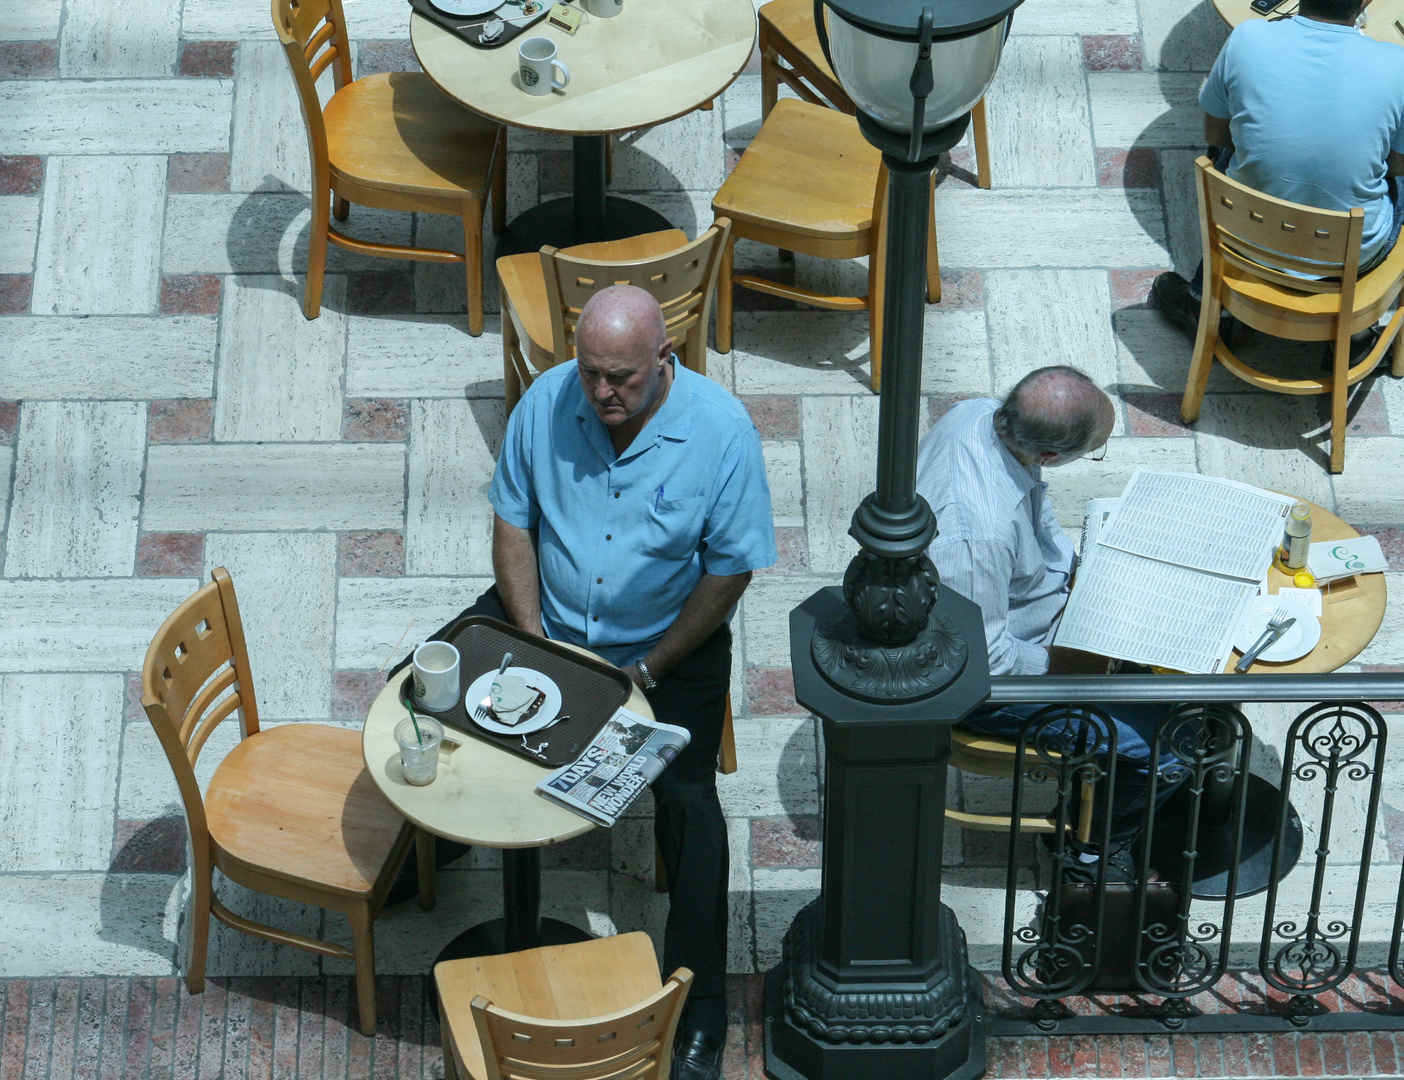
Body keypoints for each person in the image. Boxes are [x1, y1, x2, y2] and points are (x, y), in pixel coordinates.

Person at [480, 285, 774, 1080]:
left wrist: (648, 670)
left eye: (622, 378)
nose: (602, 393)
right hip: (553, 624)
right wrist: (536, 642)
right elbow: (513, 521)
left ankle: (700, 1006)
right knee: (438, 702)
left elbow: (729, 571)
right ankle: (422, 855)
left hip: (664, 644)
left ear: (663, 361)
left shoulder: (722, 433)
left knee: (691, 810)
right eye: (590, 374)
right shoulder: (546, 403)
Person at [914, 367, 1174, 882]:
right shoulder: (977, 537)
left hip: (1040, 617)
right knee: (1163, 749)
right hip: (989, 683)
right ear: (1048, 456)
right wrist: (1073, 665)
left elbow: (1034, 510)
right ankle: (1091, 849)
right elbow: (985, 661)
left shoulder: (979, 413)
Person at [1152, 0, 1404, 354]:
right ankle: (1356, 339)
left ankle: (1204, 306)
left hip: (1247, 234)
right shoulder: (1398, 64)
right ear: (1366, 3)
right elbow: (1397, 165)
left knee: (1229, 155)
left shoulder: (1246, 38)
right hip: (1349, 254)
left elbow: (1217, 135)